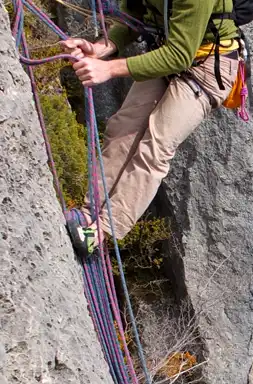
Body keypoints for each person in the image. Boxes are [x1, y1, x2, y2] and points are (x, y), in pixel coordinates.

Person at [60, 0, 242, 257]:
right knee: (122, 127)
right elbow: (133, 15)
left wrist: (108, 69)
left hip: (208, 67)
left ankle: (100, 231)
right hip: (166, 52)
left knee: (156, 145)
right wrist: (101, 47)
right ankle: (89, 211)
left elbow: (180, 55)